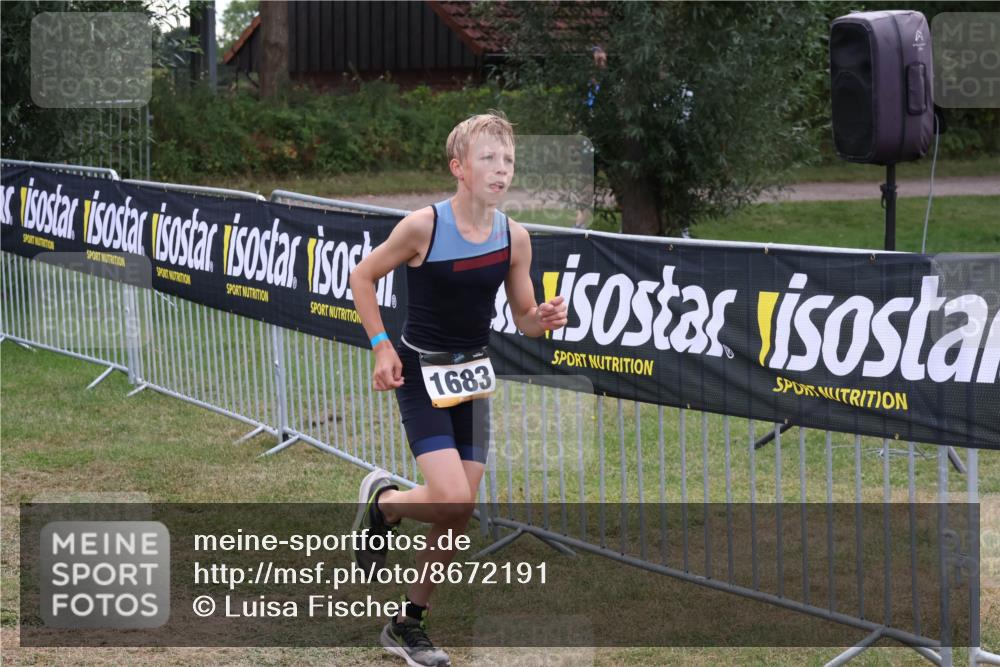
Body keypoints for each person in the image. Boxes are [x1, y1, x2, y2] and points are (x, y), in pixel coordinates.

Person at [348, 110, 568, 667]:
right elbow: (362, 277)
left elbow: (522, 318)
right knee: (452, 497)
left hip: (471, 376)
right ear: (459, 169)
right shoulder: (423, 226)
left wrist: (543, 317)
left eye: (509, 160)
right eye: (487, 159)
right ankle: (388, 504)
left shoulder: (514, 237)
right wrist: (380, 346)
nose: (500, 170)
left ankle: (407, 623)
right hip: (421, 374)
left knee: (458, 512)